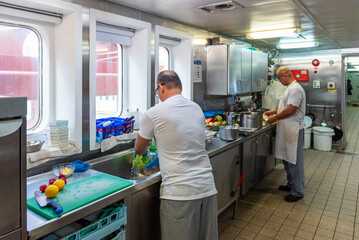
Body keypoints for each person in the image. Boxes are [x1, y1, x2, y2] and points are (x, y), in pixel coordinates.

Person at [134, 70, 218, 240]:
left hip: (179, 192)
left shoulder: (153, 113)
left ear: (161, 87)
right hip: (207, 187)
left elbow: (139, 148)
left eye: (157, 92)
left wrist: (148, 154)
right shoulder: (196, 108)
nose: (158, 95)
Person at [264, 66, 306, 202]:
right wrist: (273, 111)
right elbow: (285, 107)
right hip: (287, 129)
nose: (279, 81)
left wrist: (275, 117)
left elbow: (291, 110)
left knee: (294, 160)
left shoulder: (295, 89)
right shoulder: (290, 88)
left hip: (294, 130)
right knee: (288, 159)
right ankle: (291, 184)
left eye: (278, 78)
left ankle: (298, 191)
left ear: (284, 75)